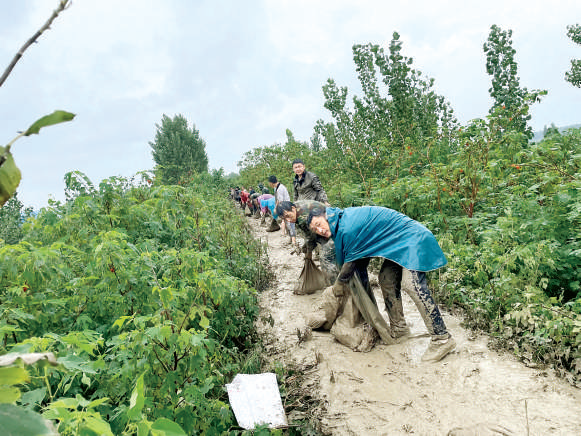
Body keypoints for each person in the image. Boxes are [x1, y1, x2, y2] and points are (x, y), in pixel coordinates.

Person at [306, 205, 456, 362]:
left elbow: (351, 264)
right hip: (398, 245)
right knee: (386, 279)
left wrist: (339, 285)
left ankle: (442, 338)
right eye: (315, 229)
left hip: (413, 239)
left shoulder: (346, 228)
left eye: (319, 224)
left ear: (327, 216)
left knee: (411, 285)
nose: (320, 230)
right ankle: (399, 329)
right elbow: (361, 260)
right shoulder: (341, 224)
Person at [268, 175, 296, 246]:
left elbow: (280, 201)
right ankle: (291, 239)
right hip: (284, 206)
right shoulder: (277, 188)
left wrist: (276, 209)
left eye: (269, 183)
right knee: (286, 224)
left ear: (271, 183)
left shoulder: (280, 188)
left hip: (286, 207)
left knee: (289, 224)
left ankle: (293, 241)